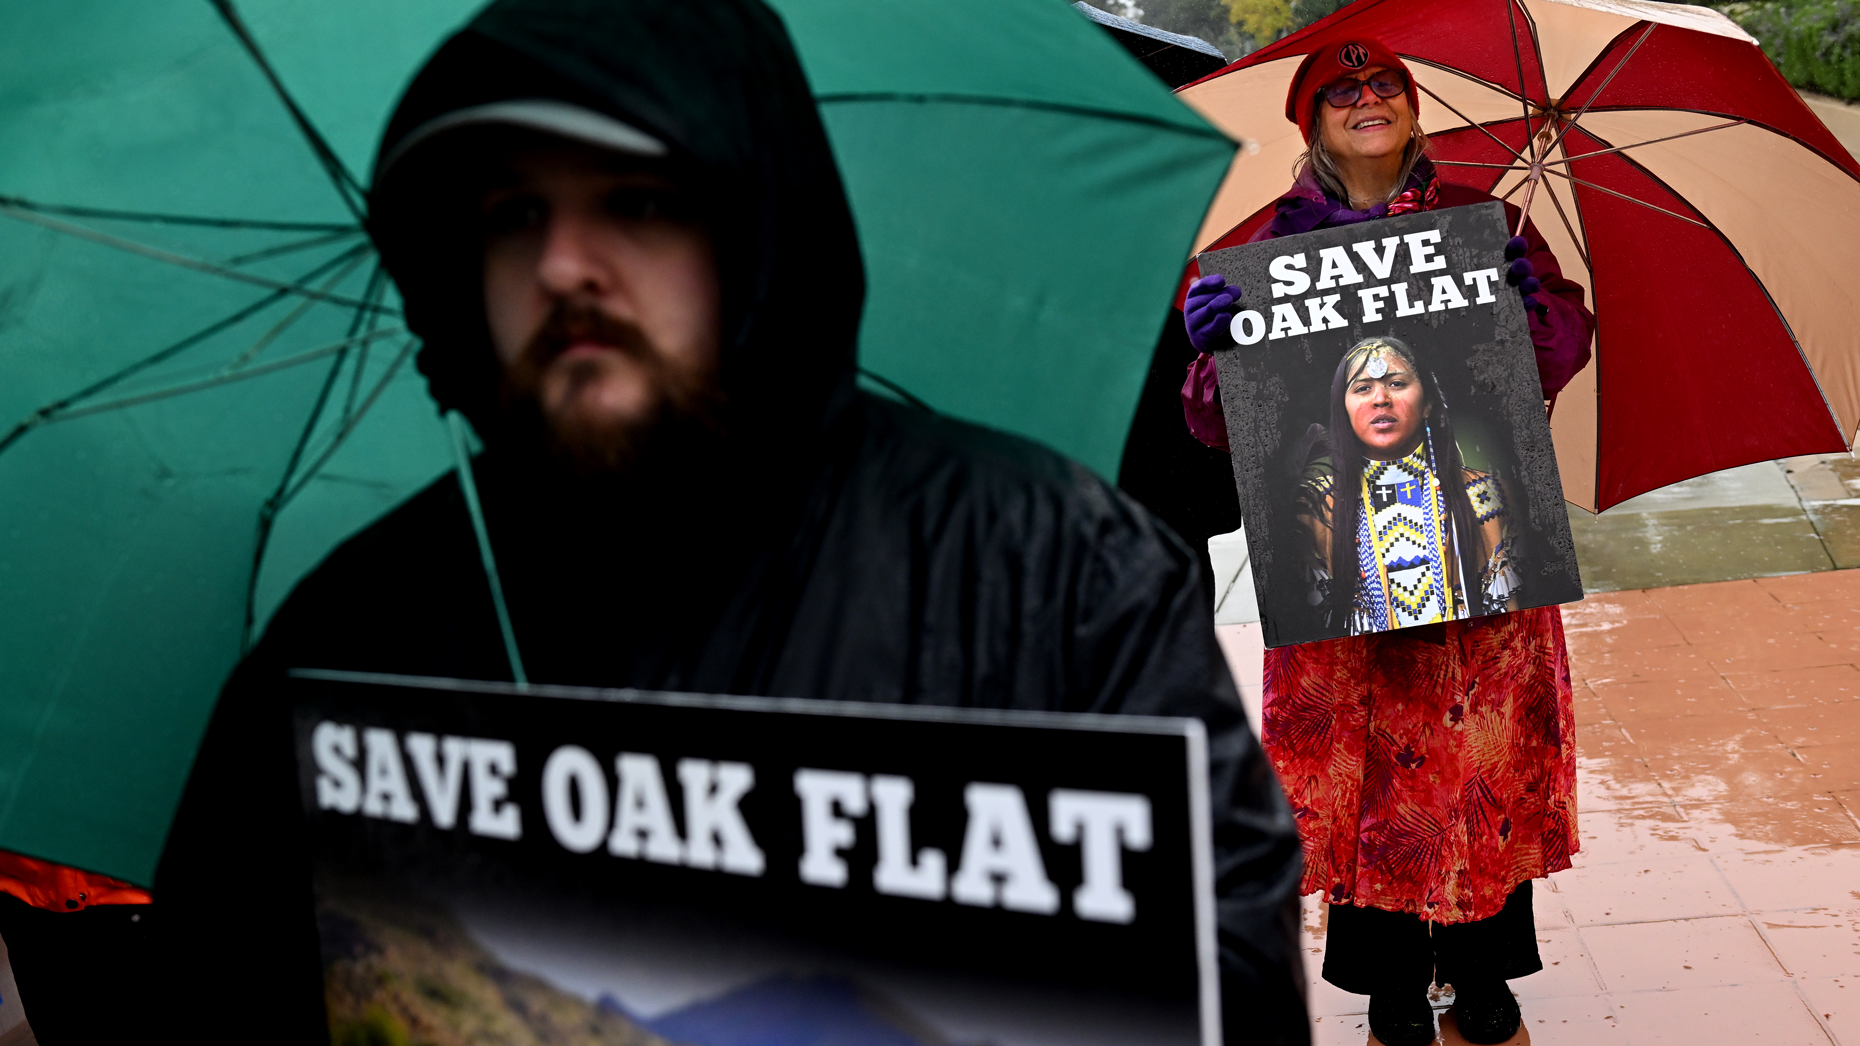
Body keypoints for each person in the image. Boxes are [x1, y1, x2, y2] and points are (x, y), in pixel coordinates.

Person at [150, 1, 1310, 1043]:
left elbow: (1230, 978)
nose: (563, 265)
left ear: (752, 228)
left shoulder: (1049, 562)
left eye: (638, 203)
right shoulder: (351, 631)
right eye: (510, 217)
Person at [1175, 36, 1592, 1046]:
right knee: (1371, 794)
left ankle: (1487, 980)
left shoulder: (1485, 223)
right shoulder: (1266, 246)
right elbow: (1215, 424)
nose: (1368, 99)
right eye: (1343, 90)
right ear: (1312, 121)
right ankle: (1394, 994)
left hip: (1479, 576)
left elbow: (1554, 358)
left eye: (1386, 86)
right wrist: (1215, 350)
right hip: (1340, 586)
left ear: (1413, 108)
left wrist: (1524, 310)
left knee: (1479, 773)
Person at [1293, 335, 1518, 637]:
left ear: (1427, 403)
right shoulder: (1314, 507)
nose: (1380, 399)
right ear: (1342, 409)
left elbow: (1516, 620)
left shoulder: (1486, 494)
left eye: (1396, 384)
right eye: (1362, 388)